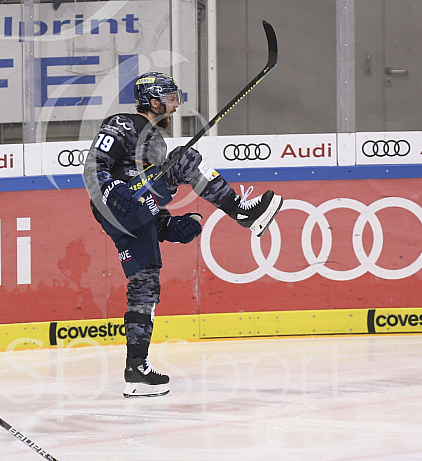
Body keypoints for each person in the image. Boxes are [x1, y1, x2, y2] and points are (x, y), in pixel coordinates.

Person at [83, 71, 283, 398]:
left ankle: (136, 368)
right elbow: (95, 166)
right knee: (186, 160)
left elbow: (148, 201)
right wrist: (112, 195)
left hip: (131, 213)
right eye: (170, 99)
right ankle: (240, 210)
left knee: (145, 282)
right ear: (153, 101)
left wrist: (168, 225)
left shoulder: (156, 143)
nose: (175, 107)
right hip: (117, 205)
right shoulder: (123, 123)